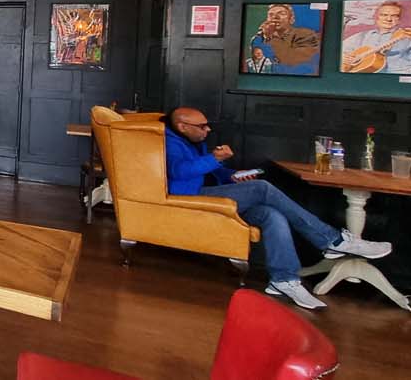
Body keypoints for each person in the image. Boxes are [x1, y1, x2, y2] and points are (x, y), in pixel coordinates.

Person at [165, 107, 392, 309]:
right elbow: (179, 172)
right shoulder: (168, 141)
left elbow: (211, 172)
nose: (207, 129)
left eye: (207, 125)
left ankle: (284, 279)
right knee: (262, 188)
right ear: (182, 126)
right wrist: (214, 158)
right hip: (189, 196)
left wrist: (232, 175)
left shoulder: (192, 140)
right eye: (202, 126)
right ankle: (333, 240)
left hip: (213, 191)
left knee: (271, 215)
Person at [341, 1, 411, 74]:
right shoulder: (362, 36)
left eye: (394, 16)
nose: (389, 19)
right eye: (384, 15)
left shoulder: (407, 37)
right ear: (376, 17)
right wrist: (345, 58)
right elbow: (340, 51)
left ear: (399, 19)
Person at [250, 4, 320, 74]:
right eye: (271, 15)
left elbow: (292, 60)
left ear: (291, 19)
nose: (275, 17)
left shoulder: (306, 34)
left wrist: (270, 37)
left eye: (281, 13)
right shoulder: (259, 38)